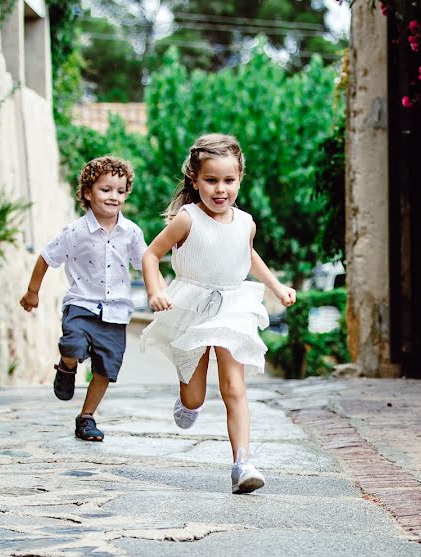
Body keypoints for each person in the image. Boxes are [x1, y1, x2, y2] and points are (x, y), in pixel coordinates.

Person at [140, 134, 296, 494]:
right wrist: (155, 290)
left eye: (229, 180)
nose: (220, 189)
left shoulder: (246, 222)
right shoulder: (187, 218)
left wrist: (276, 287)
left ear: (240, 178)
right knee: (195, 397)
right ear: (195, 181)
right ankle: (186, 400)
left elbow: (249, 255)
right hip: (190, 304)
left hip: (233, 305)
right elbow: (151, 255)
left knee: (234, 386)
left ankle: (243, 463)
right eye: (211, 180)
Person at [20, 156, 148, 442]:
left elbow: (146, 263)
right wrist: (32, 291)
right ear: (88, 193)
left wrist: (158, 291)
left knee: (105, 369)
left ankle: (87, 417)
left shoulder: (131, 233)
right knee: (72, 344)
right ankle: (67, 365)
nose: (114, 196)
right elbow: (46, 258)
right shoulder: (75, 231)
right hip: (81, 303)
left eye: (120, 190)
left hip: (116, 312)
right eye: (106, 190)